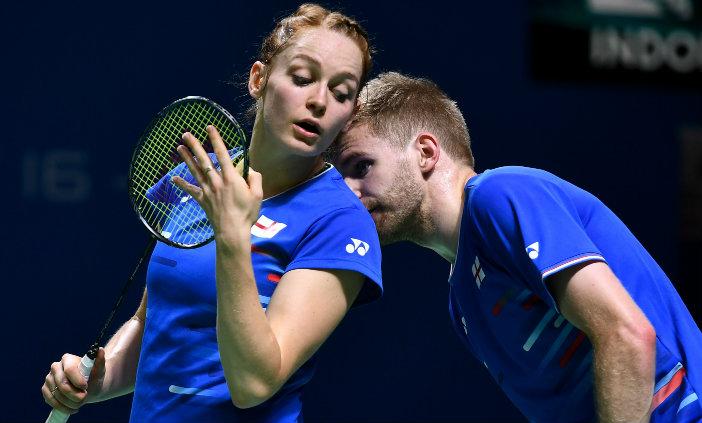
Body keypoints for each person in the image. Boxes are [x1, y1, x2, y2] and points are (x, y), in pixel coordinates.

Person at [41, 4, 383, 422]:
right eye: (302, 78)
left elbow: (255, 384)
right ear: (259, 79)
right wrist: (99, 376)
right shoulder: (199, 178)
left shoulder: (339, 223)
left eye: (341, 93)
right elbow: (155, 322)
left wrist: (233, 236)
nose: (318, 101)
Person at [330, 71, 701, 422]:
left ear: (426, 152)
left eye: (361, 167)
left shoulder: (501, 194)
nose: (348, 193)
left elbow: (628, 335)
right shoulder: (461, 304)